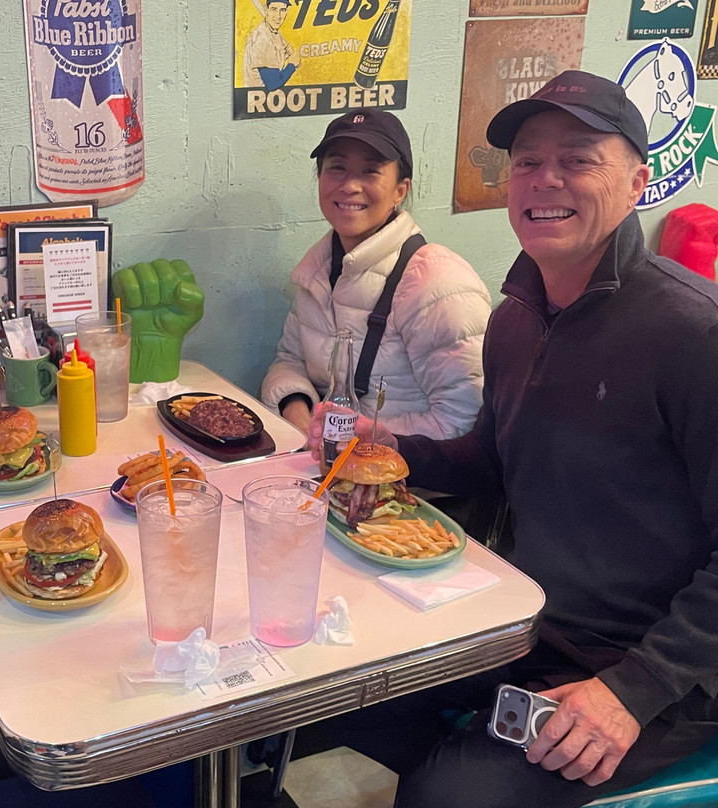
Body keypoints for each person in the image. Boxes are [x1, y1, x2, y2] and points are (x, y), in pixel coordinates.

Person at [295, 70, 718, 808]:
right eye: (528, 160)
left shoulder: (693, 333)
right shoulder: (516, 319)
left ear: (637, 183)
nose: (545, 178)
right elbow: (494, 462)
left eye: (578, 158)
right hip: (525, 621)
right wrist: (386, 450)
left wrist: (635, 689)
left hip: (652, 669)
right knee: (326, 698)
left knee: (446, 796)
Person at [261, 108, 491, 443]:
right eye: (337, 167)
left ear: (400, 190)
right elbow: (289, 360)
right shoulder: (317, 272)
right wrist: (297, 410)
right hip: (323, 465)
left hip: (404, 474)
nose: (350, 186)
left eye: (370, 171)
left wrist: (359, 444)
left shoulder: (438, 282)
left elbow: (466, 421)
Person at [242, 0, 301, 90]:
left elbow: (273, 59)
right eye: (274, 9)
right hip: (258, 96)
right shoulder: (263, 39)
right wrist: (292, 65)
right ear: (266, 10)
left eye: (283, 10)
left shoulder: (272, 33)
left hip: (267, 96)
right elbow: (273, 84)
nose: (278, 16)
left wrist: (285, 54)